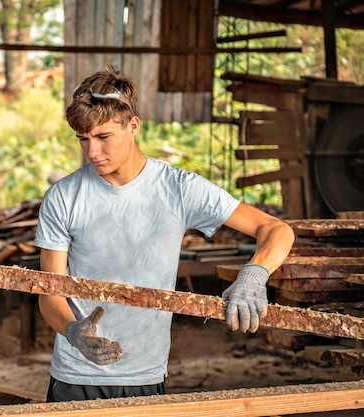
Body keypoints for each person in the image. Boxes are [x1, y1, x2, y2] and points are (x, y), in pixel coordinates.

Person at [33, 67, 295, 403]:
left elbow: (276, 229)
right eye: (83, 139)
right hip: (74, 375)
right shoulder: (63, 197)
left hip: (146, 374)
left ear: (133, 126)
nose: (92, 152)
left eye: (103, 137)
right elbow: (49, 294)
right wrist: (74, 332)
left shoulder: (178, 189)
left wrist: (254, 275)